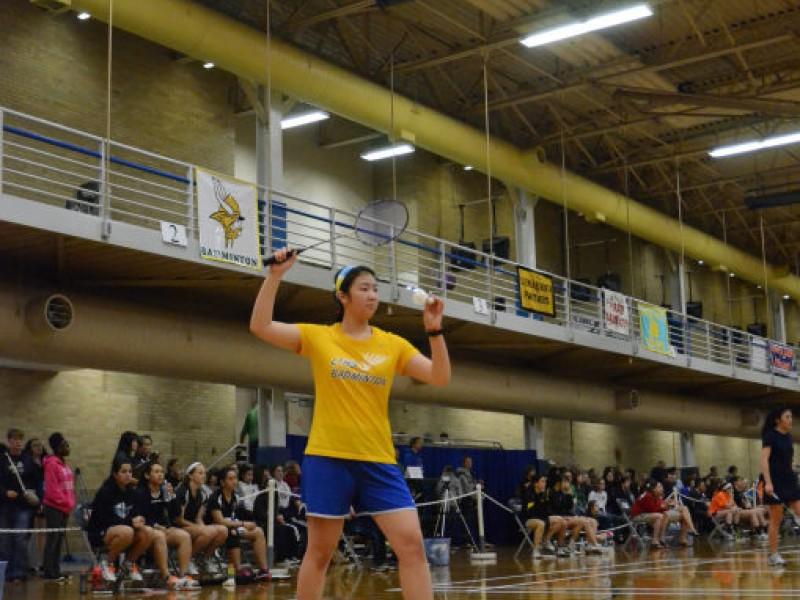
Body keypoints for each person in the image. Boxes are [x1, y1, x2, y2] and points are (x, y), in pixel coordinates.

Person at [250, 253, 450, 600]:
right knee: (320, 554)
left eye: (376, 289)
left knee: (412, 547)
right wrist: (275, 275)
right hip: (329, 458)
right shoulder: (319, 337)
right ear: (343, 296)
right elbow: (261, 326)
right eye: (364, 288)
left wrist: (434, 330)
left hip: (379, 460)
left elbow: (439, 376)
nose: (373, 295)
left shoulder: (393, 344)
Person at [87, 459, 156, 586]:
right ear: (115, 474)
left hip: (123, 530)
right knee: (127, 531)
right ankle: (106, 564)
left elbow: (135, 513)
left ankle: (128, 565)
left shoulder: (132, 492)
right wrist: (131, 522)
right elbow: (106, 519)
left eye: (130, 471)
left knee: (148, 532)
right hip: (100, 532)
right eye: (123, 471)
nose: (128, 474)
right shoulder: (105, 492)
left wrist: (140, 520)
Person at [135, 462, 199, 589]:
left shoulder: (164, 491)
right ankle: (166, 576)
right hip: (147, 532)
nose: (160, 475)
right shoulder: (140, 493)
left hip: (163, 529)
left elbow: (175, 515)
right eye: (156, 472)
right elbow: (138, 517)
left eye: (162, 472)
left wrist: (172, 497)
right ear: (147, 475)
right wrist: (155, 525)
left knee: (184, 536)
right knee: (160, 535)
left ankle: (183, 575)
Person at [206, 466, 270, 582]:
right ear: (222, 482)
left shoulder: (235, 496)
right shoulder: (215, 497)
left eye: (235, 478)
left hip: (233, 526)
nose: (234, 481)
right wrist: (243, 524)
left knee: (258, 531)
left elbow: (237, 515)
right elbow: (219, 520)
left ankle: (263, 570)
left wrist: (250, 522)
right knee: (233, 532)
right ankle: (236, 570)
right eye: (230, 479)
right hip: (218, 529)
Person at [760, 407, 800, 566]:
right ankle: (773, 555)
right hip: (774, 481)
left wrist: (793, 469)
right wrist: (768, 482)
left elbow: (787, 460)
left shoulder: (789, 437)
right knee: (776, 520)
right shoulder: (770, 436)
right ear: (778, 420)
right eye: (788, 417)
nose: (791, 420)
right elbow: (763, 461)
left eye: (791, 417)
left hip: (789, 480)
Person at [174, 462, 228, 575]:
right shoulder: (183, 492)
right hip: (179, 527)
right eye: (200, 473)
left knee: (223, 531)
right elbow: (179, 520)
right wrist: (202, 529)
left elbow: (199, 518)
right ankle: (188, 559)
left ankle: (205, 559)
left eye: (204, 473)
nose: (204, 475)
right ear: (190, 475)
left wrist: (204, 527)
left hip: (193, 526)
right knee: (207, 532)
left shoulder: (204, 493)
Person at [0, 428, 38, 584]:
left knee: (20, 539)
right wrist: (5, 492)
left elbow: (35, 480)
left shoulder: (28, 459)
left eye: (20, 440)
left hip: (23, 506)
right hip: (4, 505)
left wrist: (35, 496)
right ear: (8, 441)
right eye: (14, 440)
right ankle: (5, 572)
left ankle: (19, 572)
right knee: (5, 539)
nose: (17, 443)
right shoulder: (2, 459)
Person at [41, 433, 75, 583]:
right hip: (54, 507)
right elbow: (52, 489)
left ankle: (56, 569)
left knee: (59, 540)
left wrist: (70, 502)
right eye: (64, 444)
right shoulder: (51, 463)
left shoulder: (64, 464)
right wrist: (65, 503)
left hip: (64, 507)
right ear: (57, 447)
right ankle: (48, 572)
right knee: (53, 539)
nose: (67, 447)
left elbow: (69, 487)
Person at [521, 474, 564, 559]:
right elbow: (530, 512)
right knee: (540, 523)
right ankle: (536, 550)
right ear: (536, 483)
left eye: (545, 482)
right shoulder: (529, 494)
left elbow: (546, 511)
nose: (545, 483)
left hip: (541, 517)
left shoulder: (544, 494)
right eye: (543, 481)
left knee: (561, 520)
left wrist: (546, 500)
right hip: (529, 519)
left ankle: (546, 540)